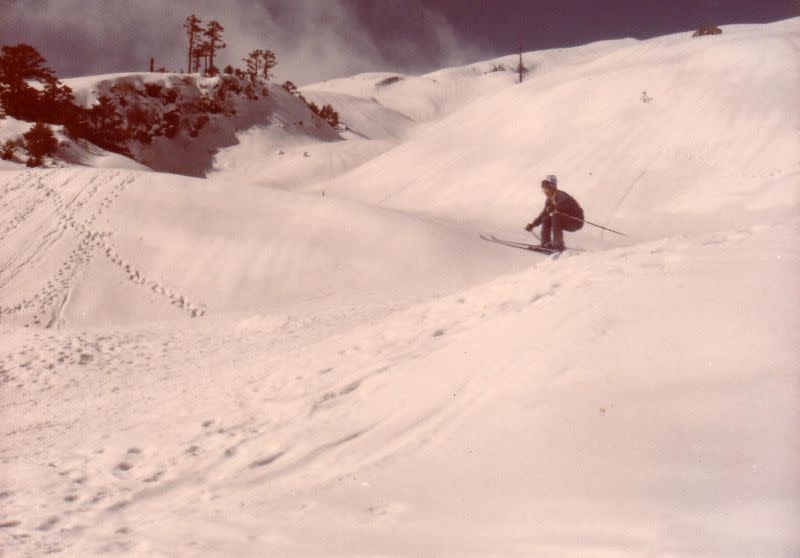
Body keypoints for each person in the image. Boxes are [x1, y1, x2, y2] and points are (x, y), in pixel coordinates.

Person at [524, 175, 584, 251]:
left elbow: (566, 205)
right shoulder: (549, 199)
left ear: (552, 187)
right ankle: (546, 243)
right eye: (543, 189)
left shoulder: (561, 195)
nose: (545, 191)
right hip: (565, 220)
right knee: (546, 218)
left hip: (576, 221)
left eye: (546, 188)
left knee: (556, 216)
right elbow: (544, 213)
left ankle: (558, 244)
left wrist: (556, 207)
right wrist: (533, 224)